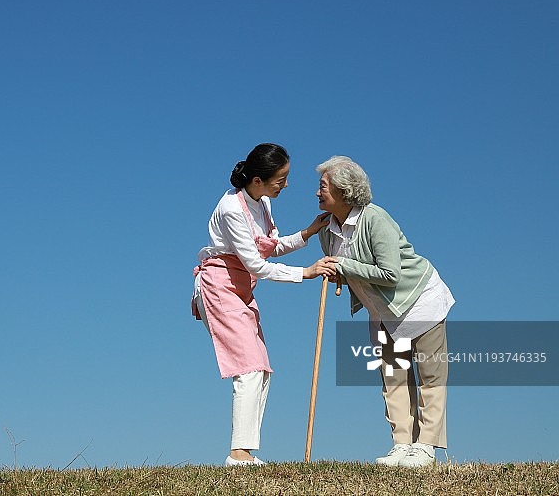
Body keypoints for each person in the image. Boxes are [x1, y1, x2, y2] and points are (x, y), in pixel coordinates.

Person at [192, 143, 338, 467]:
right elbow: (257, 265)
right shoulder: (231, 209)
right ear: (257, 180)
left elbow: (269, 248)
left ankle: (245, 453)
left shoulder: (262, 202)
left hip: (240, 290)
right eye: (280, 180)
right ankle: (237, 455)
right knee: (248, 367)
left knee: (261, 369)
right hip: (218, 289)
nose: (285, 185)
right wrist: (306, 272)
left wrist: (309, 232)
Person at [315, 155, 455, 468]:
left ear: (344, 191)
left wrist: (343, 265)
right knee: (393, 376)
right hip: (381, 311)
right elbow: (349, 271)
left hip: (419, 300)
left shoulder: (374, 218)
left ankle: (426, 446)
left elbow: (390, 273)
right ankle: (402, 444)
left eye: (323, 187)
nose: (317, 193)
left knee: (429, 376)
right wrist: (337, 273)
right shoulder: (326, 231)